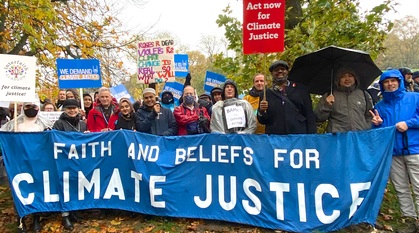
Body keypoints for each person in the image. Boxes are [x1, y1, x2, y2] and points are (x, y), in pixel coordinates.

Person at [370, 69, 419, 233]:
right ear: (382, 85)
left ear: (399, 82)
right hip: (393, 153)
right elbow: (380, 132)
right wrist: (377, 124)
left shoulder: (414, 98)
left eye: (393, 81)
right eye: (386, 82)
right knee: (401, 188)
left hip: (414, 149)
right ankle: (409, 219)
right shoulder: (380, 106)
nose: (390, 84)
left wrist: (409, 123)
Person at [1, 100, 53, 233]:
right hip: (19, 162)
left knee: (37, 190)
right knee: (19, 191)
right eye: (28, 107)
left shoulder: (46, 124)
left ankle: (36, 218)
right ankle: (21, 219)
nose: (31, 109)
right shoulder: (13, 124)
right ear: (23, 108)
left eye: (33, 106)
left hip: (38, 162)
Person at [52, 99, 88, 230]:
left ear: (78, 109)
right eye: (69, 108)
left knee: (75, 186)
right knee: (64, 187)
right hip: (63, 161)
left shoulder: (83, 124)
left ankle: (73, 211)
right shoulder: (59, 124)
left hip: (78, 161)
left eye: (74, 108)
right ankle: (64, 215)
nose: (72, 110)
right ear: (64, 110)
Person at [258, 60, 316, 135]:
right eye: (276, 70)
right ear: (272, 73)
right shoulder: (265, 94)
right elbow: (262, 121)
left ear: (287, 71)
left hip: (299, 136)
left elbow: (309, 114)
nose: (280, 71)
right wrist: (261, 111)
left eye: (283, 69)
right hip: (276, 138)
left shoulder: (301, 89)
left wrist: (311, 136)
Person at [314, 67, 373, 133]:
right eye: (343, 76)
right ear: (338, 79)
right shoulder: (329, 95)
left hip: (360, 137)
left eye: (350, 76)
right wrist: (326, 105)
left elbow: (370, 116)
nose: (347, 79)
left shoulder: (364, 94)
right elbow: (318, 118)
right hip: (338, 138)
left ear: (355, 78)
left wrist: (367, 127)